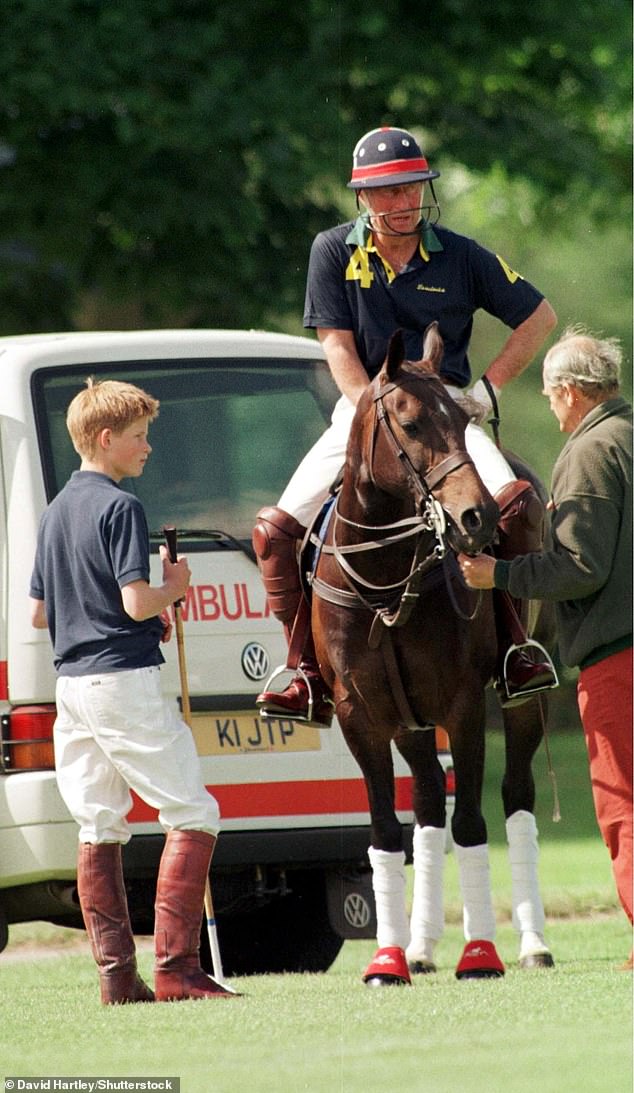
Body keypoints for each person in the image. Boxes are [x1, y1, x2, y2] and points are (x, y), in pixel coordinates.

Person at [254, 125, 558, 726]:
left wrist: (484, 392)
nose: (401, 203)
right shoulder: (333, 251)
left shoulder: (464, 255)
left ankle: (515, 650)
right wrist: (373, 409)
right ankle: (305, 671)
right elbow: (336, 345)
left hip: (444, 409)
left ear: (425, 189)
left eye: (411, 188)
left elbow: (539, 317)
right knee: (274, 532)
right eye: (386, 193)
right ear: (363, 199)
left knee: (518, 507)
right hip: (364, 406)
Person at [29, 378, 235, 1003]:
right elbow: (134, 599)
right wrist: (172, 588)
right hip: (123, 678)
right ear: (106, 438)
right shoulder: (121, 507)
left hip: (72, 685)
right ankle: (178, 969)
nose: (148, 448)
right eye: (140, 437)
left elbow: (40, 614)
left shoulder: (56, 509)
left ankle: (117, 980)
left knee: (98, 823)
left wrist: (120, 609)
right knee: (194, 812)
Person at [459, 327, 633, 964]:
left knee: (623, 800)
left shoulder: (591, 452)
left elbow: (580, 567)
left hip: (619, 655)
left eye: (550, 395)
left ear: (569, 392)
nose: (551, 406)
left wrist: (498, 574)